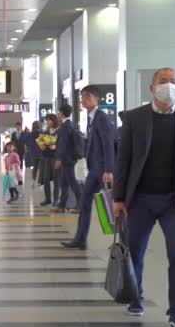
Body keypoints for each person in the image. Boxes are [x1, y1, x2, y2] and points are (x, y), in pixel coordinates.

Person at [113, 68, 175, 327]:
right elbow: (123, 160)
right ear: (152, 88)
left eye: (173, 81)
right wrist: (118, 197)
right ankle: (135, 299)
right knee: (135, 253)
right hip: (140, 200)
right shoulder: (134, 118)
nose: (169, 86)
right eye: (163, 81)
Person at [62, 85, 115, 250]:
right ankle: (81, 239)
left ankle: (81, 239)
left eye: (88, 96)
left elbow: (108, 145)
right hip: (95, 168)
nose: (83, 99)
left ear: (97, 99)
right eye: (82, 96)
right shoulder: (92, 118)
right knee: (86, 203)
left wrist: (108, 170)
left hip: (100, 170)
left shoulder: (101, 118)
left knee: (91, 202)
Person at [53, 104, 82, 214]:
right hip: (68, 159)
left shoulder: (65, 126)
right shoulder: (71, 124)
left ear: (61, 113)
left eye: (58, 112)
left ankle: (80, 206)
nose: (57, 114)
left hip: (66, 160)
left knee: (73, 183)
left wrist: (59, 159)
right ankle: (61, 206)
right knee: (64, 183)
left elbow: (63, 144)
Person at [37, 114, 59, 206]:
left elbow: (63, 144)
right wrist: (40, 144)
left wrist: (55, 146)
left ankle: (56, 199)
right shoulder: (45, 132)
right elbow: (41, 144)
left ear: (54, 121)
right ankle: (47, 198)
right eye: (46, 120)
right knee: (46, 178)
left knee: (56, 179)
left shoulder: (59, 131)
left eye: (49, 120)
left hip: (55, 157)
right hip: (46, 157)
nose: (47, 122)